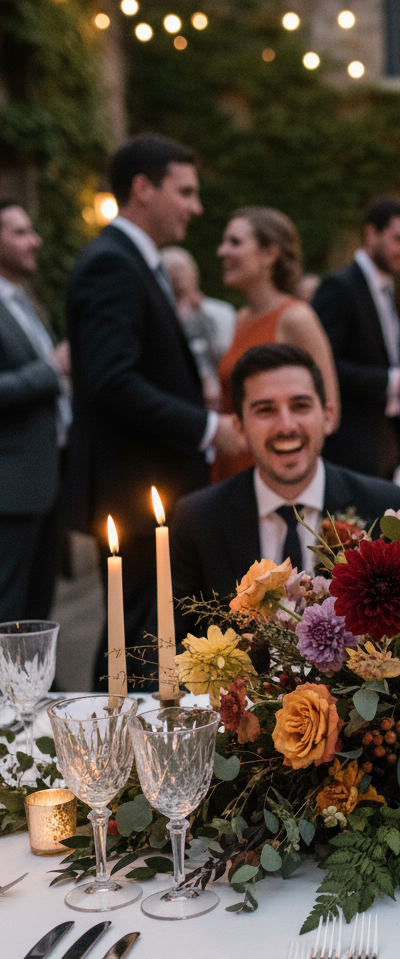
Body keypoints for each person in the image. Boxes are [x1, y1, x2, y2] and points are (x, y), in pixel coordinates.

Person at [66, 133, 244, 687]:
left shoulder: (133, 262)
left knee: (146, 633)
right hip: (135, 487)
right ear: (143, 189)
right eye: (185, 191)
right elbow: (111, 381)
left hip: (149, 484)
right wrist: (209, 426)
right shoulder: (112, 264)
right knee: (138, 642)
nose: (196, 207)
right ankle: (113, 764)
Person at [170, 343, 400, 623]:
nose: (286, 426)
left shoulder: (385, 510)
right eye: (265, 410)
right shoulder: (198, 519)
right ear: (239, 428)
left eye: (300, 406)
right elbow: (166, 641)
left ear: (328, 416)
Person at [312, 199, 400, 480]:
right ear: (371, 234)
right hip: (349, 441)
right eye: (399, 240)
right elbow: (322, 366)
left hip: (386, 435)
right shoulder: (340, 286)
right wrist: (394, 380)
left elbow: (386, 355)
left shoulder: (388, 287)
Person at [213, 207, 340, 482]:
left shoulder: (296, 318)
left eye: (235, 242)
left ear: (269, 254)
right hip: (229, 469)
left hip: (274, 472)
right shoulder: (241, 318)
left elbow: (330, 409)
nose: (222, 251)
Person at [0, 199, 71, 621]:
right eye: (20, 232)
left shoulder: (23, 301)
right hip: (11, 487)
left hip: (47, 476)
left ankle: (35, 680)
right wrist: (50, 370)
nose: (35, 241)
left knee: (37, 605)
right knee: (8, 606)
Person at [161, 245, 237, 410]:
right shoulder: (159, 317)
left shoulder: (220, 311)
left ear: (194, 271)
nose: (176, 275)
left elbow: (226, 353)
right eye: (170, 269)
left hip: (218, 401)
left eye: (181, 268)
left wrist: (203, 314)